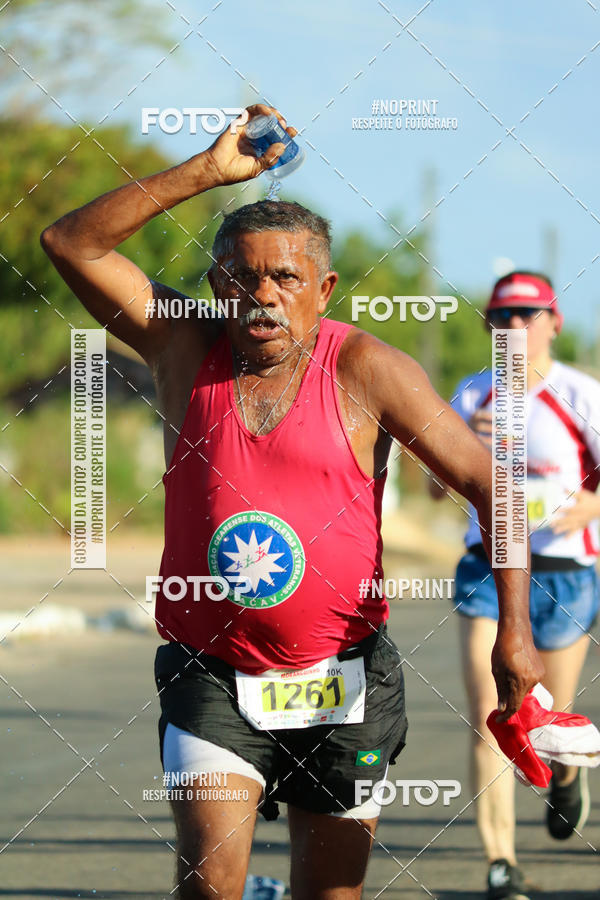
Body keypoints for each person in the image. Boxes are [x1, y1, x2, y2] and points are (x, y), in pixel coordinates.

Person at [40, 104, 542, 900]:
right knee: (211, 885)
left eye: (287, 278)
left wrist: (514, 629)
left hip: (344, 681)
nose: (263, 297)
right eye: (242, 277)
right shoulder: (183, 344)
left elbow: (495, 484)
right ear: (216, 284)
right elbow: (70, 243)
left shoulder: (369, 369)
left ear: (324, 289)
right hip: (213, 675)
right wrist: (207, 172)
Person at [430, 271, 600, 900]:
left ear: (554, 322)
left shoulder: (582, 394)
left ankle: (562, 776)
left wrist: (590, 505)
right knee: (492, 715)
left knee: (546, 717)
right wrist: (459, 453)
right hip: (487, 570)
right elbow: (432, 486)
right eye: (501, 317)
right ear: (487, 327)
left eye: (529, 315)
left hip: (566, 575)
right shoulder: (471, 394)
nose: (514, 327)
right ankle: (500, 864)